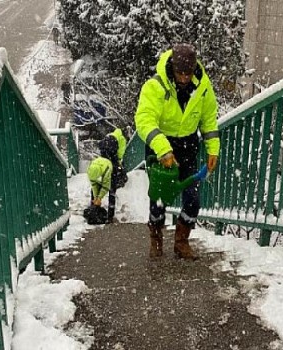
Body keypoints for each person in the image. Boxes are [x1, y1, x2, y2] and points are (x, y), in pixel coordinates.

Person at [134, 43, 220, 260]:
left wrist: (213, 151)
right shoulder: (155, 87)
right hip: (160, 147)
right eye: (180, 73)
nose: (183, 78)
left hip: (188, 146)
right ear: (172, 68)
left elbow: (209, 120)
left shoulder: (202, 88)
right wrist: (163, 150)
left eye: (188, 74)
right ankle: (156, 238)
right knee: (159, 198)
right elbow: (144, 120)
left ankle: (182, 241)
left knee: (193, 199)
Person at [85, 135, 120, 224]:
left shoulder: (96, 163)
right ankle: (110, 216)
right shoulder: (115, 143)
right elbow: (99, 184)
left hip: (106, 167)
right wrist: (98, 198)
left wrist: (98, 198)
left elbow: (104, 186)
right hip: (110, 166)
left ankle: (94, 211)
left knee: (97, 189)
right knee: (112, 192)